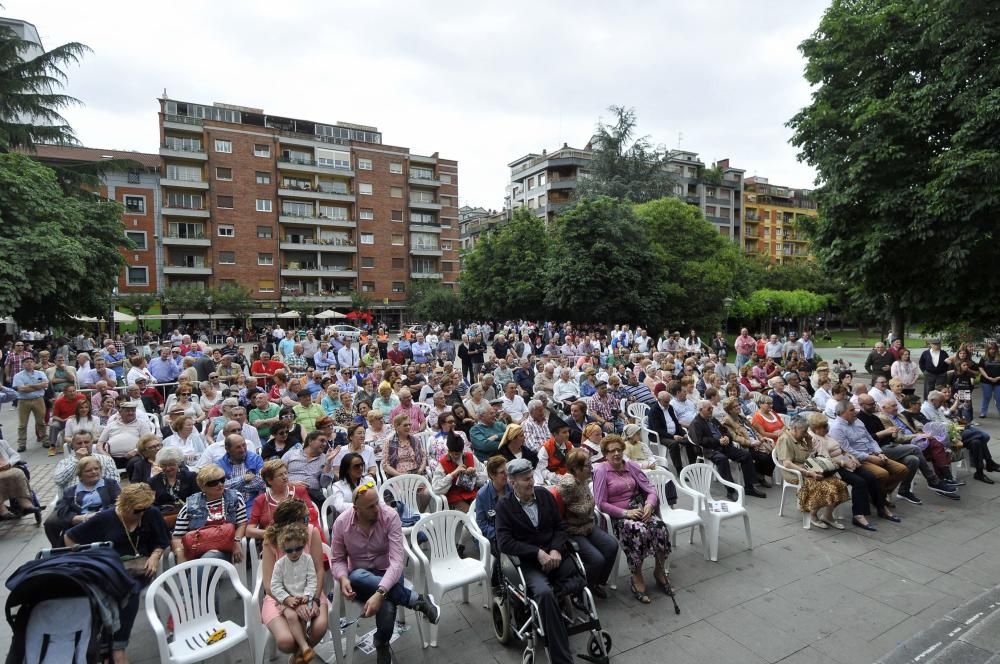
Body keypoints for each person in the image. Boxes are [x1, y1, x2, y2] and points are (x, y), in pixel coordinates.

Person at [330, 479, 440, 664]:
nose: (378, 509)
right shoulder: (342, 523)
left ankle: (381, 643)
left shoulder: (389, 516)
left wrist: (380, 593)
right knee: (355, 575)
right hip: (361, 579)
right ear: (357, 510)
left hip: (389, 572)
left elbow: (397, 561)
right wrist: (342, 578)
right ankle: (416, 600)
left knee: (387, 606)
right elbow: (337, 559)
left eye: (378, 503)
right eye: (371, 506)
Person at [64, 483, 169, 664]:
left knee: (130, 591)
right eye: (137, 510)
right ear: (125, 506)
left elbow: (161, 541)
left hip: (141, 567)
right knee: (103, 596)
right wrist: (84, 558)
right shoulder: (105, 518)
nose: (142, 513)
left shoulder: (151, 513)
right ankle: (106, 649)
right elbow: (70, 537)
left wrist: (154, 556)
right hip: (111, 569)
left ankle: (117, 649)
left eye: (145, 508)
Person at [495, 458, 577, 664]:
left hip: (554, 557)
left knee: (580, 576)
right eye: (525, 479)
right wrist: (536, 553)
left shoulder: (543, 495)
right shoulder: (504, 506)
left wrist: (557, 550)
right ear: (513, 483)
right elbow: (504, 543)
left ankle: (554, 618)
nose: (531, 482)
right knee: (544, 593)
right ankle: (562, 660)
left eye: (531, 477)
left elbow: (560, 526)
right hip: (529, 564)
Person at [261, 500, 330, 659]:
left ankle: (299, 656)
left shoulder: (312, 532)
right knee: (286, 642)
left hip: (310, 591)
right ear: (290, 524)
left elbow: (319, 571)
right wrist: (290, 602)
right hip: (278, 596)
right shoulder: (270, 541)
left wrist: (313, 600)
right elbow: (268, 584)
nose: (309, 522)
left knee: (319, 628)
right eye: (305, 519)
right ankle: (302, 651)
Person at [828, 401, 904, 523]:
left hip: (872, 453)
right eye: (852, 410)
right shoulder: (837, 428)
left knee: (901, 469)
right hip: (859, 458)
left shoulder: (857, 421)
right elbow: (847, 450)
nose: (856, 412)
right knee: (881, 474)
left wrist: (879, 452)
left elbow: (870, 439)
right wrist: (869, 457)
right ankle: (878, 504)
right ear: (843, 413)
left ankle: (879, 497)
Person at [556, 449, 619, 597]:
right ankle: (581, 592)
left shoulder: (583, 479)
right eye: (587, 465)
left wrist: (589, 506)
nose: (591, 468)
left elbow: (589, 505)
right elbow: (578, 509)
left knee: (611, 545)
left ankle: (596, 583)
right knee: (597, 559)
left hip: (588, 525)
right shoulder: (569, 484)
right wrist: (589, 506)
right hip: (573, 530)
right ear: (576, 469)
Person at [808, 413, 882, 531]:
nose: (826, 428)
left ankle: (881, 506)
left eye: (826, 425)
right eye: (822, 427)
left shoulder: (825, 435)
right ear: (815, 428)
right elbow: (824, 461)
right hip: (833, 469)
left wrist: (850, 457)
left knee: (869, 476)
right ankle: (859, 515)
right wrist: (843, 462)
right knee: (859, 482)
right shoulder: (816, 439)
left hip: (844, 462)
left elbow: (840, 449)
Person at [775, 415, 850, 529]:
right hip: (795, 472)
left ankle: (827, 516)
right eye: (804, 431)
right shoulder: (786, 439)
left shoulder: (801, 438)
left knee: (840, 485)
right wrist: (809, 473)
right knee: (828, 488)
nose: (806, 434)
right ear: (794, 428)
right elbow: (787, 464)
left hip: (809, 468)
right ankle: (813, 515)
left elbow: (810, 456)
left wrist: (809, 441)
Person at [170, 463, 247, 564]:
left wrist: (236, 541)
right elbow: (177, 537)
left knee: (211, 556)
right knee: (203, 562)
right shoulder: (191, 505)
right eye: (213, 483)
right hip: (197, 551)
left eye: (222, 480)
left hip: (226, 548)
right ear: (202, 487)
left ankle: (195, 579)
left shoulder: (235, 497)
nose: (220, 484)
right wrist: (180, 554)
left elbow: (242, 524)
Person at [689, 400, 765, 500]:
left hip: (724, 446)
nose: (711, 410)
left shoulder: (712, 419)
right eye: (709, 409)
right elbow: (699, 440)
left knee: (746, 455)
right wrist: (718, 441)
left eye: (712, 408)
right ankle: (731, 491)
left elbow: (725, 430)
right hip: (711, 449)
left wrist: (726, 437)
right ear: (700, 410)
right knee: (722, 459)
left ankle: (749, 487)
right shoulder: (696, 423)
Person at [268, 522, 318, 663]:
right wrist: (287, 599)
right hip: (287, 601)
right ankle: (304, 647)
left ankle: (298, 656)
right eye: (289, 550)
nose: (294, 553)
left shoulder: (307, 559)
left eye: (298, 548)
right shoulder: (280, 564)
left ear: (303, 544)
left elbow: (312, 580)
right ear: (283, 549)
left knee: (303, 616)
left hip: (304, 599)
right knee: (291, 616)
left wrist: (307, 596)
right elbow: (275, 586)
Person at [46, 455, 122, 547]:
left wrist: (100, 514)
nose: (94, 472)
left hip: (105, 522)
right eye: (88, 471)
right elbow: (61, 510)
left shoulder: (110, 484)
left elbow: (120, 502)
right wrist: (77, 518)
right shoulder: (71, 491)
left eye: (96, 469)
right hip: (80, 525)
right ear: (80, 475)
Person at [248, 459, 321, 540]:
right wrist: (274, 533)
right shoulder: (260, 500)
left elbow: (312, 516)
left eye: (285, 473)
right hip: (273, 542)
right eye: (280, 475)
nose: (285, 477)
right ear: (269, 480)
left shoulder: (299, 491)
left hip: (301, 539)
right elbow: (249, 530)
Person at [719, 397, 775, 488]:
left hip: (756, 441)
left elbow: (754, 431)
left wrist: (761, 438)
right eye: (735, 406)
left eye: (738, 405)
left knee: (774, 453)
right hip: (745, 446)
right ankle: (760, 477)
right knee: (763, 457)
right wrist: (750, 443)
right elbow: (735, 437)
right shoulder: (727, 421)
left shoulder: (742, 417)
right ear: (729, 410)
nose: (738, 407)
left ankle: (759, 474)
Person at [430, 431, 484, 512]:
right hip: (455, 497)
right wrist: (452, 475)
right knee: (470, 513)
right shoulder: (442, 463)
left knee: (483, 509)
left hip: (472, 493)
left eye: (460, 453)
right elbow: (436, 488)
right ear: (449, 451)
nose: (458, 456)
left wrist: (475, 473)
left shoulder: (470, 456)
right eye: (455, 454)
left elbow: (484, 479)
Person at [148, 447, 198, 527]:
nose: (168, 468)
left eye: (171, 464)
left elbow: (197, 498)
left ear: (178, 463)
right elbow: (152, 504)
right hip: (164, 520)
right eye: (164, 465)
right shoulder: (153, 481)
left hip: (190, 516)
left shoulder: (191, 477)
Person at [648, 389, 694, 472]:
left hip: (673, 433)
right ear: (659, 400)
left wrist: (683, 433)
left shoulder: (670, 407)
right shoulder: (654, 411)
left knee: (689, 440)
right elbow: (658, 429)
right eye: (665, 402)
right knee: (674, 444)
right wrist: (672, 436)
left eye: (668, 401)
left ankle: (692, 466)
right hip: (660, 435)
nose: (667, 404)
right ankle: (679, 470)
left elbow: (676, 422)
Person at [0, 438, 42, 523]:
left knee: (18, 473)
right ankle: (2, 510)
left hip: (8, 469)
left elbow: (15, 455)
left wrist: (9, 463)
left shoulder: (2, 443)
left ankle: (26, 504)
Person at [12, 356, 49, 453]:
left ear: (34, 364)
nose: (29, 363)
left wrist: (29, 386)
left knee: (41, 421)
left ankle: (45, 440)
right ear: (23, 364)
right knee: (22, 424)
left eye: (31, 362)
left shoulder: (40, 373)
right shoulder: (18, 376)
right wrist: (38, 386)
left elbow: (45, 385)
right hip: (23, 401)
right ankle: (22, 444)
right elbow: (21, 389)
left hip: (38, 400)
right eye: (26, 362)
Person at [475, 455, 510, 543]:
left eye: (506, 470)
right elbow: (482, 524)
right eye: (502, 472)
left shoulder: (512, 488)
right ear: (492, 475)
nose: (506, 474)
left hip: (511, 531)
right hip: (494, 537)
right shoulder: (482, 495)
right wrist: (499, 534)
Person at [382, 415, 427, 480]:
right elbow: (385, 465)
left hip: (416, 473)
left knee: (427, 490)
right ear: (397, 427)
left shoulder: (415, 440)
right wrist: (399, 475)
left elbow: (424, 456)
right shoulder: (389, 442)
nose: (408, 427)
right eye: (405, 425)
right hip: (397, 476)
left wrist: (420, 469)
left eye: (409, 425)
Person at [535, 421, 574, 485]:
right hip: (554, 481)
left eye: (568, 431)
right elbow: (541, 469)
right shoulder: (546, 448)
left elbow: (575, 462)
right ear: (554, 434)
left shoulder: (569, 445)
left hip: (570, 477)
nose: (568, 434)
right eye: (564, 432)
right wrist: (556, 478)